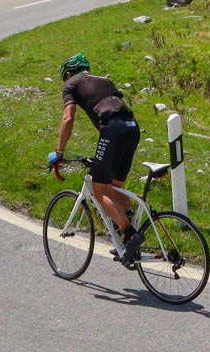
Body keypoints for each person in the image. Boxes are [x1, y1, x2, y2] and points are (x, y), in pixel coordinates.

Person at [48, 54, 143, 264]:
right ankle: (127, 240)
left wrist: (60, 151)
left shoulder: (71, 84)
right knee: (116, 187)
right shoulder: (104, 81)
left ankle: (130, 234)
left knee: (100, 189)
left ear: (68, 74)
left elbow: (68, 117)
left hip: (113, 130)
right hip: (132, 128)